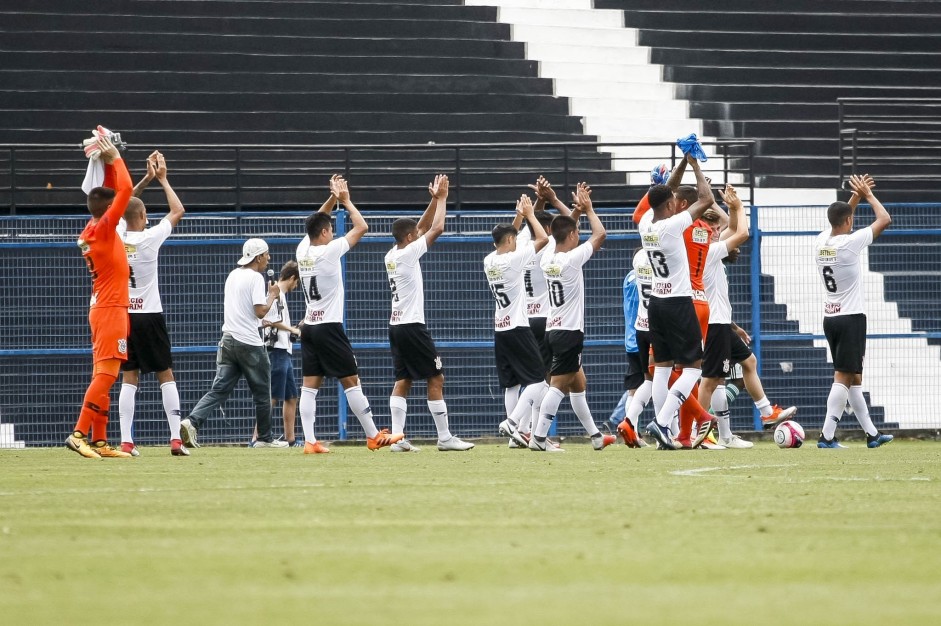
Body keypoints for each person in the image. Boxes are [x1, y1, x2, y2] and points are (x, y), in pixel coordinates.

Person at [295, 175, 404, 453]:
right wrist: (345, 200)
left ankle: (309, 441)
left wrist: (332, 198)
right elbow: (362, 226)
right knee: (351, 380)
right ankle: (373, 436)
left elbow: (318, 219)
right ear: (323, 233)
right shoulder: (328, 252)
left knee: (310, 386)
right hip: (329, 327)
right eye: (330, 229)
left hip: (308, 326)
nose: (332, 233)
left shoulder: (302, 249)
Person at [385, 175, 474, 452]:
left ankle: (398, 439)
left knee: (403, 379)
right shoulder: (408, 255)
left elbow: (420, 227)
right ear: (410, 239)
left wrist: (433, 200)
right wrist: (444, 199)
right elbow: (436, 228)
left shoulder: (392, 253)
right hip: (412, 326)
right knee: (436, 378)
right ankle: (445, 438)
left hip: (396, 325)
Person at [698, 204, 796, 448]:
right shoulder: (708, 250)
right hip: (713, 325)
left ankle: (742, 426)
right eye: (712, 228)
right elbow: (740, 231)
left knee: (744, 365)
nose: (717, 231)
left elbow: (730, 227)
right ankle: (694, 432)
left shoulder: (708, 247)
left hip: (720, 323)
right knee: (710, 381)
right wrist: (738, 207)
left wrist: (713, 204)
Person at [530, 183, 616, 452]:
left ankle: (595, 436)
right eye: (577, 232)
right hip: (568, 331)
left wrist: (569, 209)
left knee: (579, 384)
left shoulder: (547, 258)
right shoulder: (571, 260)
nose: (580, 235)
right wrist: (588, 209)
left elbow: (563, 231)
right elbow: (601, 234)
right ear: (572, 236)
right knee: (557, 386)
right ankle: (539, 437)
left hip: (553, 328)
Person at [179, 239, 288, 448]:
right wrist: (273, 296)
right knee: (263, 392)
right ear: (258, 257)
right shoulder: (256, 278)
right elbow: (259, 311)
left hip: (228, 340)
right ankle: (264, 438)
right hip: (249, 344)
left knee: (219, 389)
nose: (269, 258)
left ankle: (191, 421)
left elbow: (244, 310)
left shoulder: (233, 275)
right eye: (266, 254)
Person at [66, 136, 135, 459]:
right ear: (109, 211)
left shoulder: (91, 229)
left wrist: (106, 164)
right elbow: (125, 191)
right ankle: (79, 434)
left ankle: (100, 441)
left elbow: (108, 194)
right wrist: (115, 156)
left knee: (104, 375)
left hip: (104, 306)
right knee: (107, 375)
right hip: (109, 309)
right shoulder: (105, 229)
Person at [117, 151, 189, 457]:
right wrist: (161, 178)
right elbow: (178, 210)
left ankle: (126, 441)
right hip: (150, 315)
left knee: (129, 377)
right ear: (144, 218)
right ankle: (175, 438)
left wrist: (143, 180)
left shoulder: (117, 236)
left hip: (124, 315)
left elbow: (124, 207)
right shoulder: (150, 237)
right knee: (165, 374)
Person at [814, 174, 894, 449]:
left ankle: (872, 434)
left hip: (830, 317)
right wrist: (868, 196)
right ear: (848, 222)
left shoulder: (822, 241)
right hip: (850, 318)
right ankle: (826, 436)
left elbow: (843, 216)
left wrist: (855, 197)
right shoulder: (850, 243)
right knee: (844, 376)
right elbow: (884, 219)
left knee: (855, 377)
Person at [639, 155, 713, 450]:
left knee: (663, 368)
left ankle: (663, 432)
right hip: (678, 303)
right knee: (693, 368)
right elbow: (706, 199)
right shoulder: (672, 226)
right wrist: (696, 166)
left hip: (655, 303)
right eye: (672, 200)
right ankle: (661, 421)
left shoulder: (647, 222)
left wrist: (682, 162)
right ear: (670, 206)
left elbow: (663, 192)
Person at [485, 194, 550, 447]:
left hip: (500, 329)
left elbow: (512, 236)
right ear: (510, 240)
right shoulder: (514, 259)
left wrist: (520, 217)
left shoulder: (489, 260)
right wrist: (530, 214)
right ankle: (513, 423)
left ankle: (515, 437)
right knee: (537, 382)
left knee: (511, 384)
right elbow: (542, 238)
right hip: (518, 326)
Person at [254, 260, 303, 447]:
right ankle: (257, 437)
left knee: (291, 396)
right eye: (296, 281)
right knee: (272, 395)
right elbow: (269, 319)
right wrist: (294, 329)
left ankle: (290, 440)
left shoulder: (279, 294)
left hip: (285, 350)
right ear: (291, 278)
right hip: (276, 350)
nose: (296, 286)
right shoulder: (275, 294)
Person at [611, 251, 650, 448]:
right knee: (662, 381)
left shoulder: (629, 278)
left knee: (634, 387)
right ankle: (668, 428)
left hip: (631, 338)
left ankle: (632, 432)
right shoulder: (648, 278)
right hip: (647, 334)